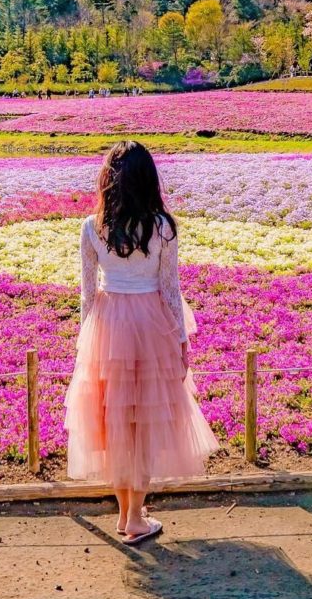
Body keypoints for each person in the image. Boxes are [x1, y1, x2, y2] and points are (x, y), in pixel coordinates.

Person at [64, 141, 218, 546]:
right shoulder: (163, 226)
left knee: (113, 421)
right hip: (152, 325)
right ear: (149, 179)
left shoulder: (91, 226)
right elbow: (170, 291)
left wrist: (86, 341)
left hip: (107, 327)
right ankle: (135, 517)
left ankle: (124, 514)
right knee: (144, 424)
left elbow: (86, 293)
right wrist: (182, 342)